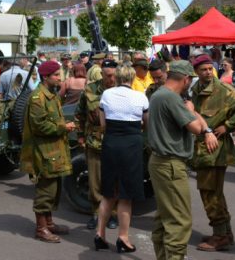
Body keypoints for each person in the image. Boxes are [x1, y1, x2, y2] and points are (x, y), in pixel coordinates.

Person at [148, 60, 218, 260]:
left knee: (165, 217)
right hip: (170, 164)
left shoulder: (160, 95)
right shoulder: (170, 98)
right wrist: (191, 109)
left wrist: (199, 121)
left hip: (161, 162)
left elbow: (199, 126)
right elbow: (196, 128)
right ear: (186, 79)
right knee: (179, 220)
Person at [190, 53, 235, 251]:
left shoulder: (222, 89)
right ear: (196, 71)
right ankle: (225, 232)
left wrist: (227, 126)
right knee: (214, 194)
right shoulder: (195, 89)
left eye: (210, 69)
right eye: (203, 70)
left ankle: (220, 235)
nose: (208, 73)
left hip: (215, 150)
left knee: (210, 193)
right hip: (202, 148)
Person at [94, 65, 149, 253]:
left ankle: (99, 234)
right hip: (131, 145)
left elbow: (103, 123)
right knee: (126, 195)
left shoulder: (106, 95)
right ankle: (123, 237)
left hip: (111, 143)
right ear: (132, 78)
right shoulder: (140, 96)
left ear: (116, 77)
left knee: (108, 192)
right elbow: (146, 123)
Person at [20, 60, 76, 243]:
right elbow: (40, 126)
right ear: (46, 77)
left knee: (54, 188)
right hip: (43, 152)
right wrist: (63, 127)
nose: (60, 78)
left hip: (53, 151)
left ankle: (49, 223)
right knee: (45, 190)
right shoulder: (38, 97)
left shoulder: (50, 95)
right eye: (56, 75)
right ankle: (41, 228)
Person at [75, 59, 118, 230]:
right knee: (94, 183)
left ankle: (112, 215)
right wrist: (80, 136)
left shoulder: (123, 91)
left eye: (114, 76)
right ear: (102, 74)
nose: (112, 79)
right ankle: (96, 214)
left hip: (115, 143)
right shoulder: (89, 90)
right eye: (108, 76)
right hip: (94, 143)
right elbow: (79, 115)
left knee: (113, 182)